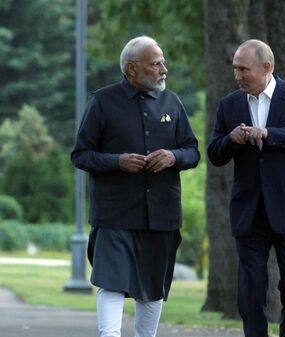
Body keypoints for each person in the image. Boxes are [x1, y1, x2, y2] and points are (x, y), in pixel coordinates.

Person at [71, 36, 200, 337]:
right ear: (131, 68)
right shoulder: (102, 101)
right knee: (112, 280)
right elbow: (80, 154)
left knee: (153, 286)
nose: (163, 69)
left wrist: (173, 156)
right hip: (114, 213)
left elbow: (192, 151)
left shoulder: (173, 103)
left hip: (162, 213)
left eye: (162, 62)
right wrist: (117, 162)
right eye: (156, 64)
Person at [207, 39, 285, 337]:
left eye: (244, 69)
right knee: (251, 292)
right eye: (235, 69)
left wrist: (270, 134)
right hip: (250, 212)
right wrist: (231, 139)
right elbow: (214, 154)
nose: (238, 76)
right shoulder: (229, 105)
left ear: (266, 67)